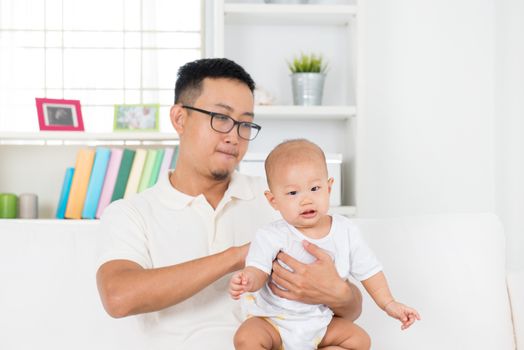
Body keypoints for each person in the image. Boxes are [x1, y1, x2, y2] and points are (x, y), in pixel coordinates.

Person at [96, 58, 364, 349]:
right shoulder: (132, 213)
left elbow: (351, 309)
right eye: (221, 118)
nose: (234, 136)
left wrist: (338, 291)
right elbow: (118, 297)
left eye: (245, 124)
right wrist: (239, 256)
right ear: (179, 119)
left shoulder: (283, 199)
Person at [229, 139, 421, 350]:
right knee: (247, 337)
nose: (306, 200)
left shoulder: (345, 231)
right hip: (273, 321)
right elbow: (258, 268)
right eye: (293, 193)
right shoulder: (271, 235)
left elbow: (370, 271)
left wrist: (389, 303)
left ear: (328, 188)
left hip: (319, 322)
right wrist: (248, 280)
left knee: (360, 340)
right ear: (273, 200)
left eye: (314, 188)